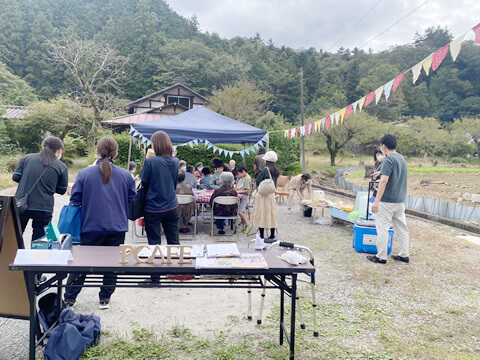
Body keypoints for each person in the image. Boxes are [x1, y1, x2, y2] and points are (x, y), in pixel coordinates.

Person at [64, 137, 136, 309]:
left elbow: (75, 199)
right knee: (111, 263)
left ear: (97, 151)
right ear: (116, 154)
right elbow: (132, 198)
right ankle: (105, 298)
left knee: (81, 262)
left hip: (90, 225)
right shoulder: (126, 175)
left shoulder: (84, 174)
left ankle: (69, 299)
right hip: (117, 226)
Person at [13, 136, 68, 242]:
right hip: (44, 207)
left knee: (14, 235)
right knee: (40, 241)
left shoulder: (27, 158)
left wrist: (27, 180)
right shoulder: (61, 166)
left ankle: (13, 256)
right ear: (59, 150)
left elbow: (15, 176)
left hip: (22, 204)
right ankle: (36, 257)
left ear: (43, 146)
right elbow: (61, 190)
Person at [368, 133, 410, 265]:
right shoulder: (401, 158)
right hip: (400, 201)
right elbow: (395, 172)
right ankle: (404, 255)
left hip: (387, 201)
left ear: (383, 146)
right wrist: (380, 172)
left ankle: (381, 257)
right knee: (402, 229)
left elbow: (384, 182)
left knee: (382, 228)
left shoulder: (388, 160)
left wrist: (376, 201)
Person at [140, 130, 180, 249]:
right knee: (174, 242)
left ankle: (157, 265)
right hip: (172, 205)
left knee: (154, 244)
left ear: (155, 145)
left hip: (153, 207)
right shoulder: (176, 161)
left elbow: (144, 182)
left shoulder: (151, 161)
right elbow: (174, 182)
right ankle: (174, 264)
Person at [252, 151, 279, 241]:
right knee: (271, 213)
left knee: (261, 213)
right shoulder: (276, 171)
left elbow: (258, 180)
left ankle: (262, 235)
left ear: (266, 160)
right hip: (271, 195)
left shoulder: (265, 170)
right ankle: (272, 235)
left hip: (262, 195)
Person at [234, 164, 252, 233]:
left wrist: (238, 191)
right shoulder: (243, 178)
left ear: (243, 171)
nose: (238, 175)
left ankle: (247, 225)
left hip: (244, 196)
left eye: (238, 174)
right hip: (241, 196)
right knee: (242, 211)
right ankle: (243, 225)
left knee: (239, 211)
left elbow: (247, 190)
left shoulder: (247, 178)